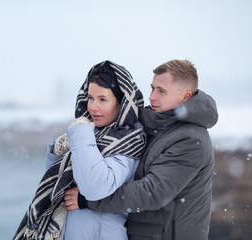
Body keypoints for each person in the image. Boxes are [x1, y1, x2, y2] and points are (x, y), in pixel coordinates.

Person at [66, 59, 219, 240]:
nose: (152, 97)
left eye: (161, 91)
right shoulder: (156, 125)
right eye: (152, 88)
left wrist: (89, 201)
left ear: (185, 97)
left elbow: (152, 193)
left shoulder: (191, 141)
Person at [13, 60, 146, 240]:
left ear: (121, 103)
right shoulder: (94, 134)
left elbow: (95, 187)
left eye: (102, 99)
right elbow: (60, 184)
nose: (92, 107)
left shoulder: (127, 140)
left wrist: (81, 132)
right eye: (90, 98)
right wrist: (59, 152)